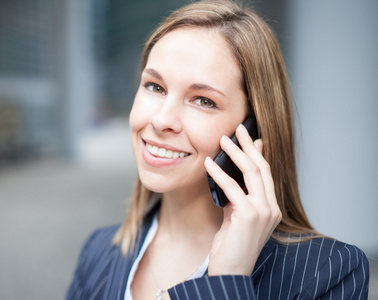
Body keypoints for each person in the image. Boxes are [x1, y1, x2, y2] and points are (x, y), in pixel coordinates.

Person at [66, 1, 370, 299]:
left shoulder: (327, 274)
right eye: (155, 87)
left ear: (252, 129)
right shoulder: (98, 251)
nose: (161, 121)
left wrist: (228, 280)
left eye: (203, 100)